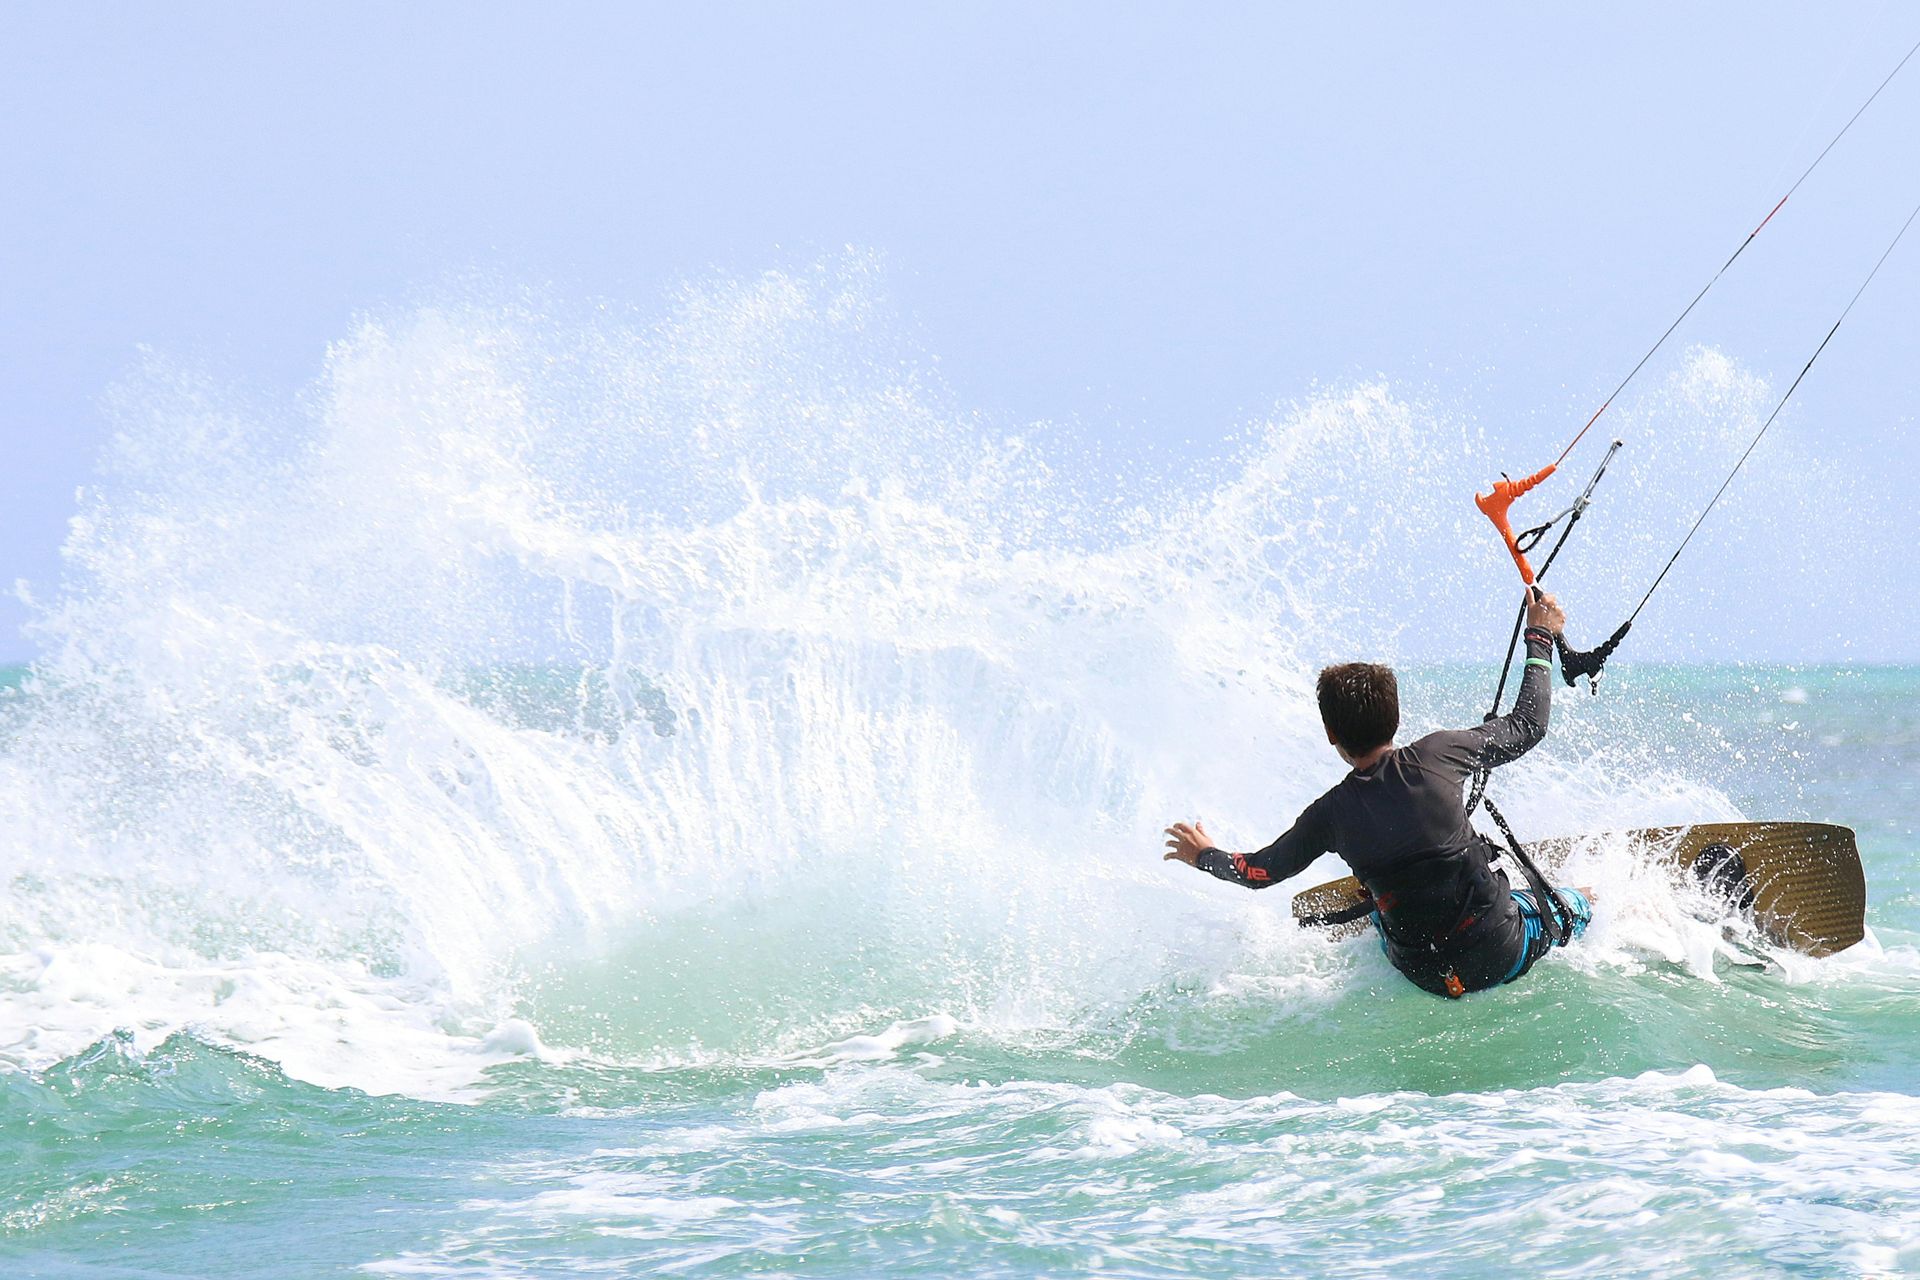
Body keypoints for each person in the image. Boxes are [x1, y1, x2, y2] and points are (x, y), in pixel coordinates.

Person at [1163, 587, 1592, 998]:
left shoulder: (1329, 815)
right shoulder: (1440, 754)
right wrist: (1539, 635)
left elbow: (1259, 872)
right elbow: (1527, 726)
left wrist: (1202, 855)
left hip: (1422, 975)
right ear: (1396, 717)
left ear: (1331, 735)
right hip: (1500, 952)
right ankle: (1594, 904)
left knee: (1382, 900)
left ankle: (1380, 907)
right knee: (1579, 900)